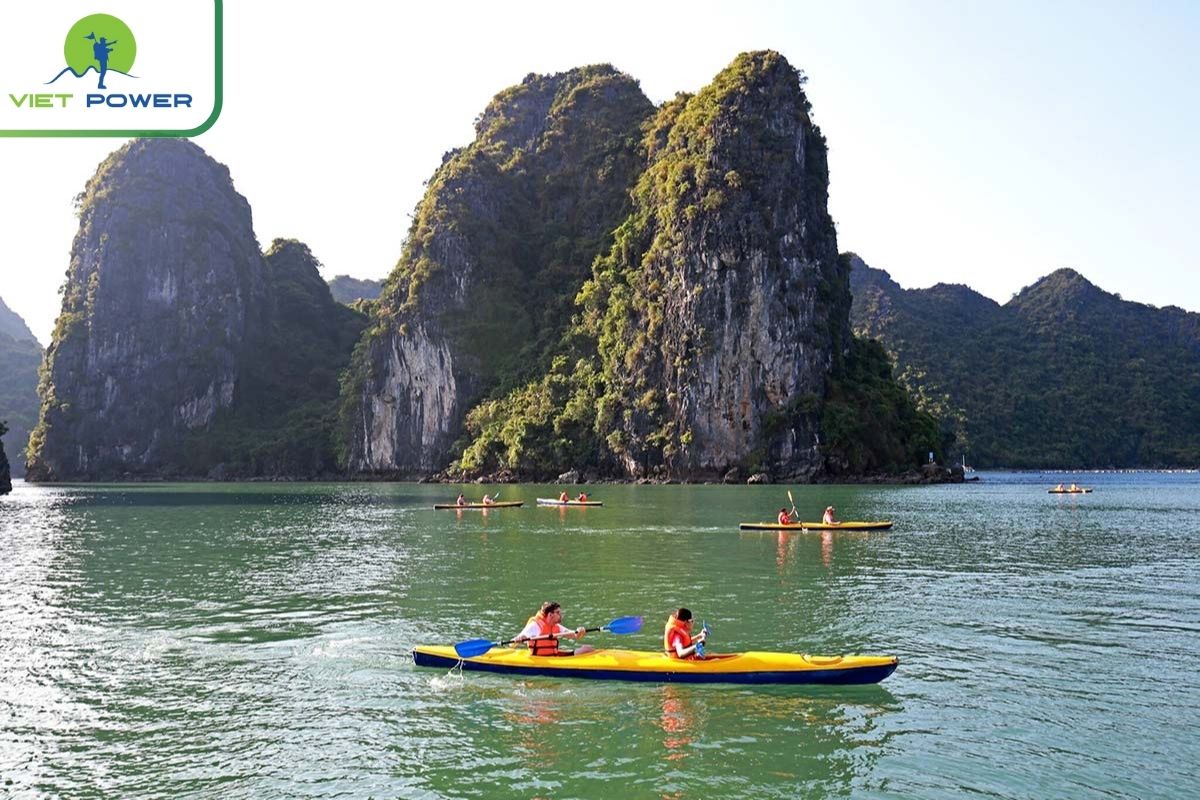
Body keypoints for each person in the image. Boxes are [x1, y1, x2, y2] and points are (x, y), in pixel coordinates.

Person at [515, 602, 594, 656]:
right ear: (550, 615)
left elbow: (575, 635)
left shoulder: (557, 627)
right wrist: (520, 638)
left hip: (553, 657)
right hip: (540, 659)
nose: (561, 615)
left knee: (588, 649)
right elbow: (515, 642)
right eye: (558, 613)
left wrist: (580, 631)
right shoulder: (535, 626)